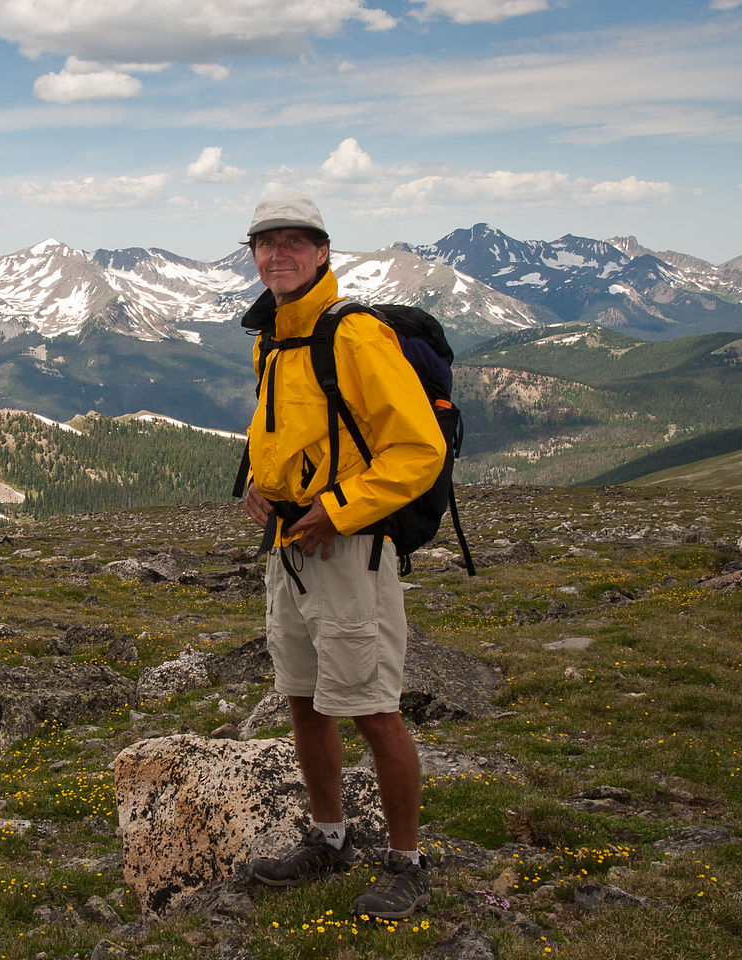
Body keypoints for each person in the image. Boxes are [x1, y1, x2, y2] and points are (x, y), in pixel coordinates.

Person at [238, 195, 446, 921]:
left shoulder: (352, 335)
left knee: (371, 708)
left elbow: (420, 449)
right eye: (266, 244)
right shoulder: (274, 337)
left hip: (350, 549)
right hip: (290, 547)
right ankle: (329, 837)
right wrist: (261, 489)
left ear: (323, 252)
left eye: (294, 243)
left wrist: (341, 506)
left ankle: (407, 862)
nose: (278, 255)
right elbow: (288, 425)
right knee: (303, 699)